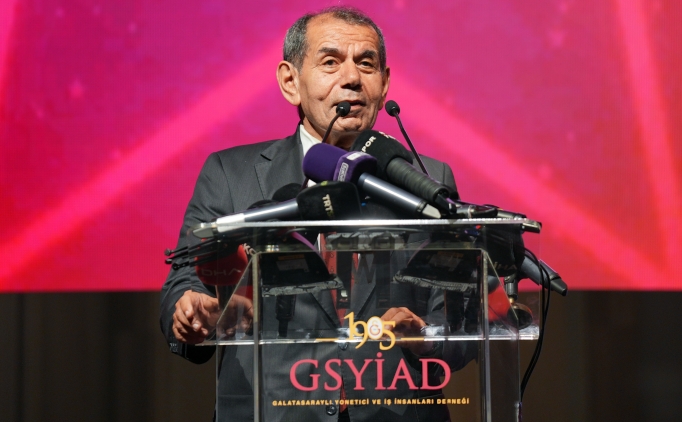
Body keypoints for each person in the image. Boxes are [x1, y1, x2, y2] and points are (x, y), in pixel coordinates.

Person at [160, 6, 472, 421]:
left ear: (384, 84)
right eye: (330, 62)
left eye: (366, 64)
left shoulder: (427, 182)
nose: (352, 78)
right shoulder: (231, 174)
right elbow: (185, 280)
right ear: (290, 82)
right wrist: (192, 311)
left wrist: (427, 337)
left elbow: (464, 314)